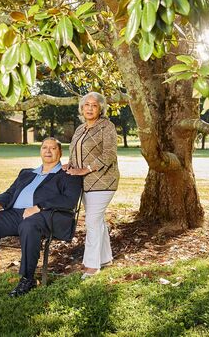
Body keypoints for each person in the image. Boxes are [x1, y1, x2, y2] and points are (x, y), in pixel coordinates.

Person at [0, 138, 82, 297]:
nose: (48, 151)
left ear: (60, 152)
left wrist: (38, 207)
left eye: (53, 148)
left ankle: (27, 279)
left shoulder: (68, 175)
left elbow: (69, 200)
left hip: (47, 216)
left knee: (29, 225)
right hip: (16, 214)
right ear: (40, 151)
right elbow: (10, 193)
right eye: (44, 147)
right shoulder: (26, 173)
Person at [65, 92, 119, 279]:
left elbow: (109, 154)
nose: (89, 108)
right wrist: (70, 165)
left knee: (92, 222)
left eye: (94, 105)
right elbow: (74, 153)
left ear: (100, 108)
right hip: (85, 183)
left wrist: (85, 169)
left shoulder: (107, 126)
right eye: (86, 105)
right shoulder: (80, 129)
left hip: (103, 181)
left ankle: (91, 266)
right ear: (81, 108)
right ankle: (105, 259)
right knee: (97, 221)